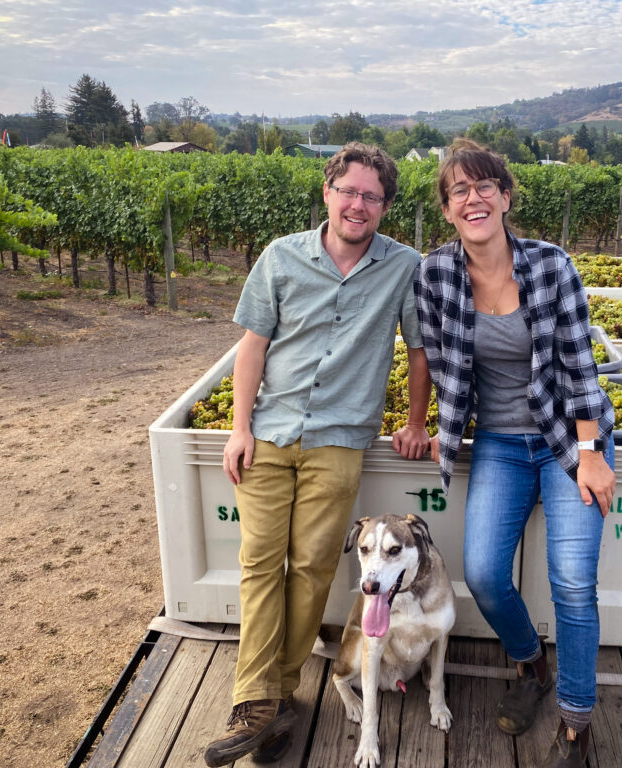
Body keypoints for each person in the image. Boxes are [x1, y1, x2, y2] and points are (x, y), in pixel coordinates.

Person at [204, 142, 431, 768]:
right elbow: (253, 346)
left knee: (308, 569)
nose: (358, 204)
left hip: (339, 438)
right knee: (258, 564)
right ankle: (259, 701)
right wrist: (239, 426)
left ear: (386, 206)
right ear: (328, 192)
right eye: (349, 191)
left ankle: (270, 700)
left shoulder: (404, 267)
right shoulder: (281, 257)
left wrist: (416, 422)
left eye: (372, 196)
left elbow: (419, 351)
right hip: (271, 432)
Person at [415, 138, 615, 768]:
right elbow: (425, 356)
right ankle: (531, 666)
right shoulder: (436, 273)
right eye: (458, 191)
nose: (472, 199)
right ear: (448, 210)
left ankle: (576, 727)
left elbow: (582, 371)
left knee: (574, 585)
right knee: (483, 577)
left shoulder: (551, 266)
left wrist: (591, 454)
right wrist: (418, 423)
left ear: (504, 196)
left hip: (567, 438)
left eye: (483, 187)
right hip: (500, 443)